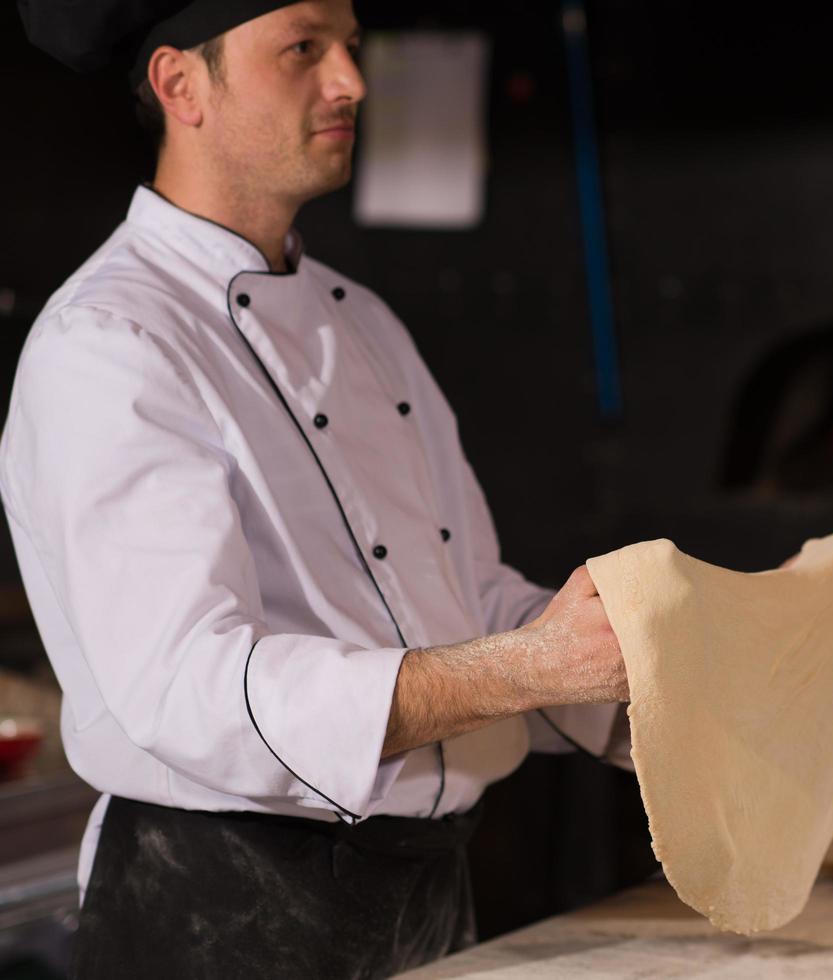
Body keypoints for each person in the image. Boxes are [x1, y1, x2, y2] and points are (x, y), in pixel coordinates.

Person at [5, 1, 631, 975]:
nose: (351, 82)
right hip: (220, 912)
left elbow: (461, 598)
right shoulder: (112, 341)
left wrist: (628, 679)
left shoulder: (365, 323)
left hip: (426, 898)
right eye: (303, 49)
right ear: (181, 86)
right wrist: (531, 667)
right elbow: (189, 688)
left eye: (348, 46)